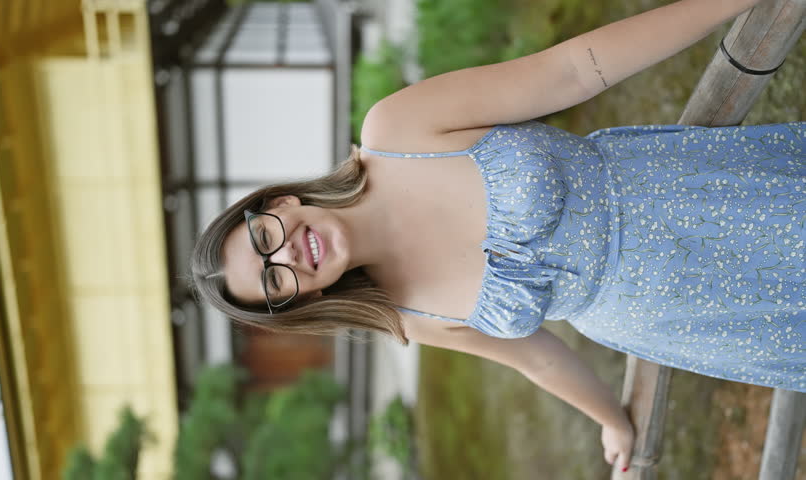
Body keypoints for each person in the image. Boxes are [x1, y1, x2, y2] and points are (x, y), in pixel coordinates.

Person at [192, 0, 804, 473]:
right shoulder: (412, 316)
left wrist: (725, 3)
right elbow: (536, 357)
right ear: (299, 302)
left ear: (278, 202)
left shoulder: (397, 129)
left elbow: (571, 71)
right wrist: (611, 421)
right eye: (275, 280)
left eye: (263, 236)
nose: (289, 255)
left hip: (691, 194)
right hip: (683, 316)